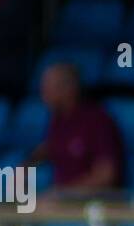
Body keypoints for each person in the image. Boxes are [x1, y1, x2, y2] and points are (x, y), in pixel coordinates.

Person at [28, 62, 123, 192]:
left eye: (48, 87)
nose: (43, 93)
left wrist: (64, 195)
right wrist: (25, 167)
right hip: (63, 201)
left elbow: (106, 175)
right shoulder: (58, 119)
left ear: (69, 89)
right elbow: (50, 147)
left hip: (93, 204)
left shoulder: (97, 121)